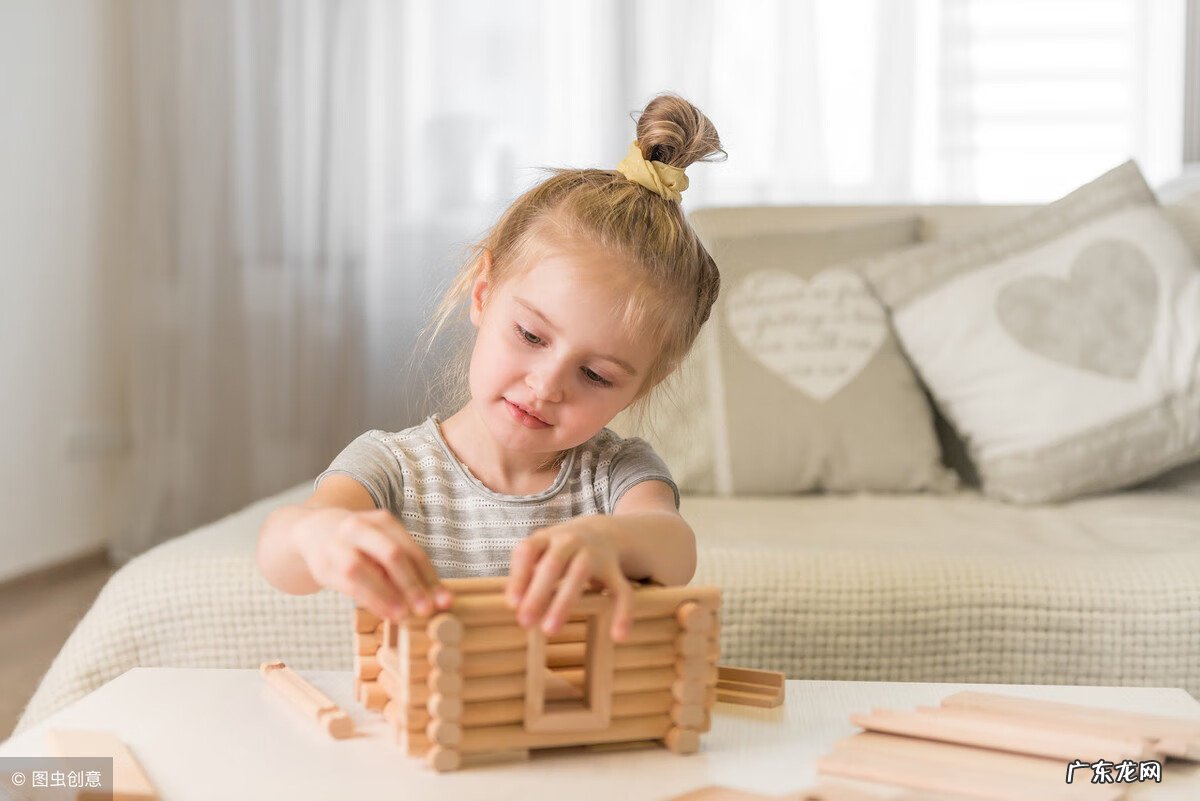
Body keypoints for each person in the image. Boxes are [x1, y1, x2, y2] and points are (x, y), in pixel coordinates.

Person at [257, 92, 725, 643]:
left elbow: (673, 547)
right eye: (530, 335)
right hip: (432, 722)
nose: (546, 385)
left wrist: (610, 541)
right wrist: (320, 538)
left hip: (566, 723)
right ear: (483, 293)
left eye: (595, 375)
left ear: (646, 383)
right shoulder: (394, 469)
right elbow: (280, 552)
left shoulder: (615, 477)